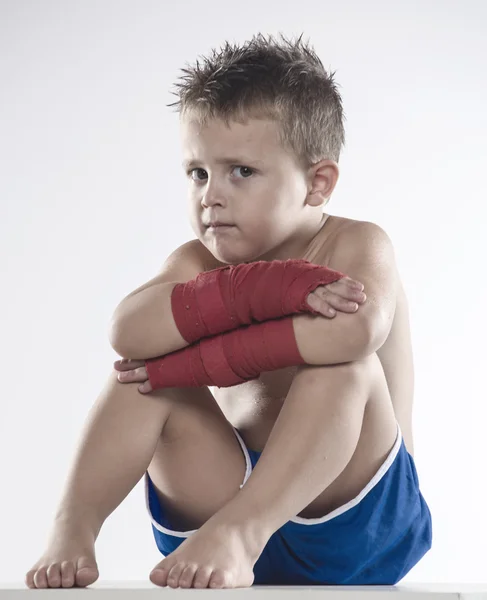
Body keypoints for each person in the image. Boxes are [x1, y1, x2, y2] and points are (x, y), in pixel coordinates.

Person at [25, 33, 432, 590]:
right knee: (141, 376)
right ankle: (73, 525)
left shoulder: (355, 245)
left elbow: (354, 334)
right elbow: (129, 330)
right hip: (220, 507)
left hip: (354, 514)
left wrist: (224, 327)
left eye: (240, 171)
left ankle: (244, 531)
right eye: (198, 172)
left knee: (348, 367)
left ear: (318, 183)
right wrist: (262, 289)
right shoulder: (195, 261)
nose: (211, 196)